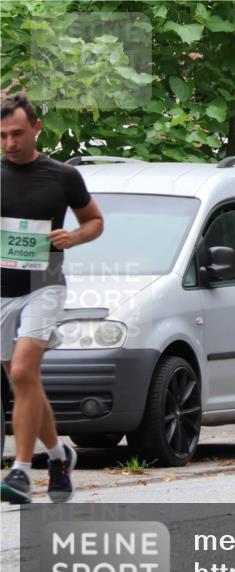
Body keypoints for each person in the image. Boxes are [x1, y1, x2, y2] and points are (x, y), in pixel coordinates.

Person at [1, 92, 103, 504]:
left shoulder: (63, 176)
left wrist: (73, 237)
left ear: (36, 128)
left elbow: (95, 221)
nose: (10, 143)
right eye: (2, 136)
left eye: (17, 134)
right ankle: (59, 456)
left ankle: (21, 472)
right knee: (22, 380)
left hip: (44, 284)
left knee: (23, 370)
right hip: (1, 290)